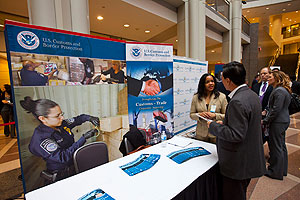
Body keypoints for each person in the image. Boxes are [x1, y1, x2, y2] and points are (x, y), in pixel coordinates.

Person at [207, 61, 265, 200]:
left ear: (228, 80)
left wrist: (214, 126)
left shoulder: (237, 101)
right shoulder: (252, 95)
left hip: (238, 163)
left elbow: (236, 134)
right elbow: (246, 125)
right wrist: (226, 123)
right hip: (249, 158)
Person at [20, 96, 100, 182]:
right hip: (61, 176)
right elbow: (63, 157)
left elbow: (77, 119)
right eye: (57, 116)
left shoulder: (61, 124)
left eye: (61, 114)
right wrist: (84, 138)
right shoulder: (42, 138)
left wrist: (89, 118)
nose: (62, 118)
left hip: (73, 167)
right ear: (43, 118)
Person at [262, 71, 291, 180]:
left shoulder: (279, 91)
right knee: (281, 146)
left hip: (277, 122)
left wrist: (266, 120)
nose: (267, 78)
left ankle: (275, 172)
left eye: (270, 77)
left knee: (276, 147)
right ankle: (282, 170)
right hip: (282, 121)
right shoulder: (284, 90)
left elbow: (275, 110)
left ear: (277, 78)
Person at [190, 73, 227, 143]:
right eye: (207, 82)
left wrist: (215, 115)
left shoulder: (222, 97)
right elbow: (192, 115)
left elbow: (226, 115)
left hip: (216, 133)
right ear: (202, 84)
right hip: (201, 134)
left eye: (212, 81)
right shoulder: (196, 97)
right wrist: (200, 115)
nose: (211, 83)